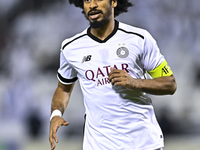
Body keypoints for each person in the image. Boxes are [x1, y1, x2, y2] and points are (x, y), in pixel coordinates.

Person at [49, 0, 177, 150]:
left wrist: (135, 82)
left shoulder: (139, 38)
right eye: (87, 0)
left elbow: (170, 84)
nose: (92, 5)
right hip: (98, 145)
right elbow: (63, 88)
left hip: (143, 143)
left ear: (114, 2)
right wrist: (56, 114)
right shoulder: (71, 47)